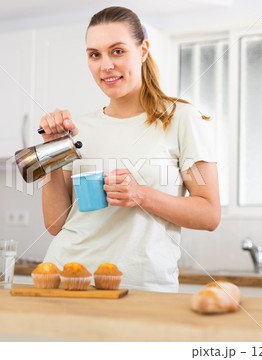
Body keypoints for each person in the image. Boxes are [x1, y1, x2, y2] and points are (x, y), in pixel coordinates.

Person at [38, 6, 220, 293]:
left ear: (143, 50)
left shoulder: (181, 118)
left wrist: (141, 194)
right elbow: (55, 224)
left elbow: (209, 213)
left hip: (142, 286)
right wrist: (52, 152)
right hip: (69, 280)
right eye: (94, 54)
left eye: (118, 51)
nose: (105, 65)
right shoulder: (76, 129)